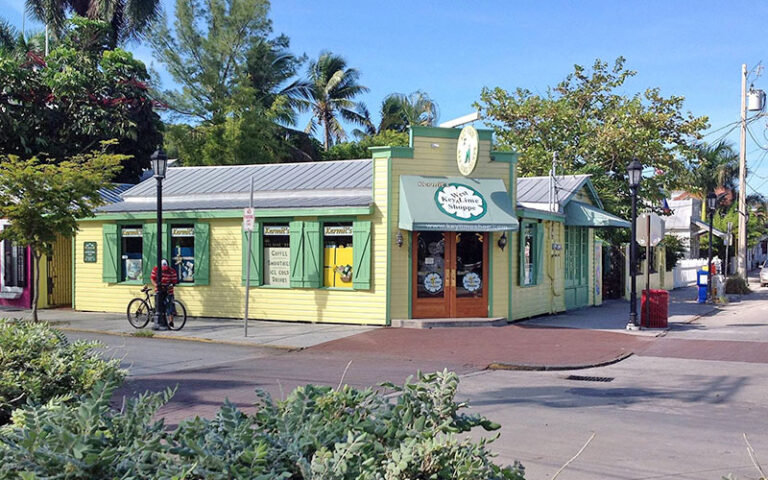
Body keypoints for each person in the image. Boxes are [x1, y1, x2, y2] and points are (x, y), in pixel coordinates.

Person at [150, 259, 179, 328]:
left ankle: (171, 322)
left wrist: (171, 285)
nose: (164, 270)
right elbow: (152, 278)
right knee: (159, 306)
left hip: (168, 290)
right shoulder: (156, 269)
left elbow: (174, 281)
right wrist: (156, 285)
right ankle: (157, 318)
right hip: (159, 290)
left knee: (170, 306)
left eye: (165, 269)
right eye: (163, 269)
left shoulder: (172, 271)